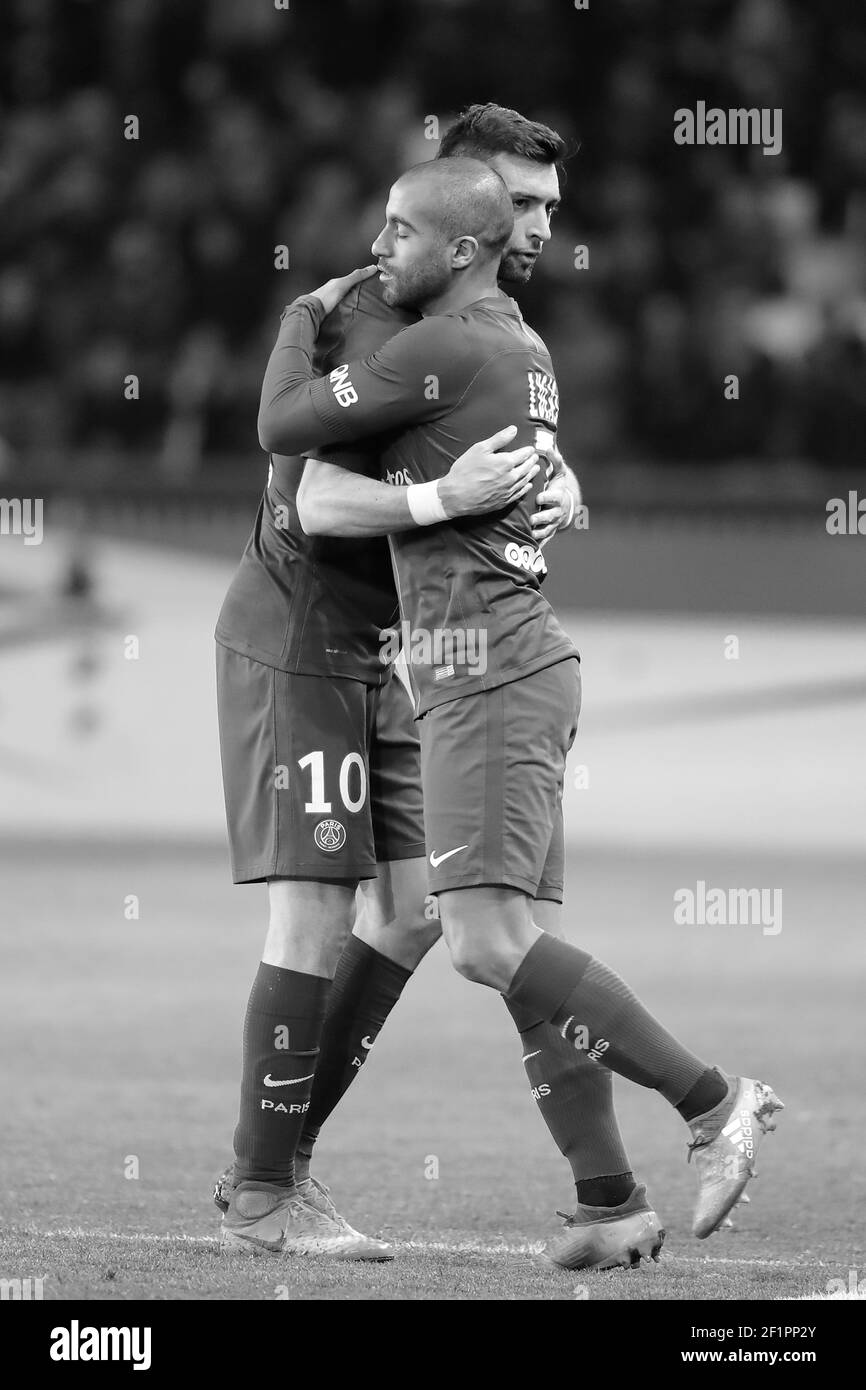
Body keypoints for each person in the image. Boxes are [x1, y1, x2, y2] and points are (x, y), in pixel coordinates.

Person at [238, 154, 782, 1266]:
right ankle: (606, 1201)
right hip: (499, 665)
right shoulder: (519, 348)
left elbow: (286, 428)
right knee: (511, 943)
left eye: (398, 231)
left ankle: (713, 1101)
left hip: (481, 670)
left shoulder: (437, 345)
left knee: (485, 943)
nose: (378, 248)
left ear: (456, 243)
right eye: (528, 202)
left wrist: (301, 310)